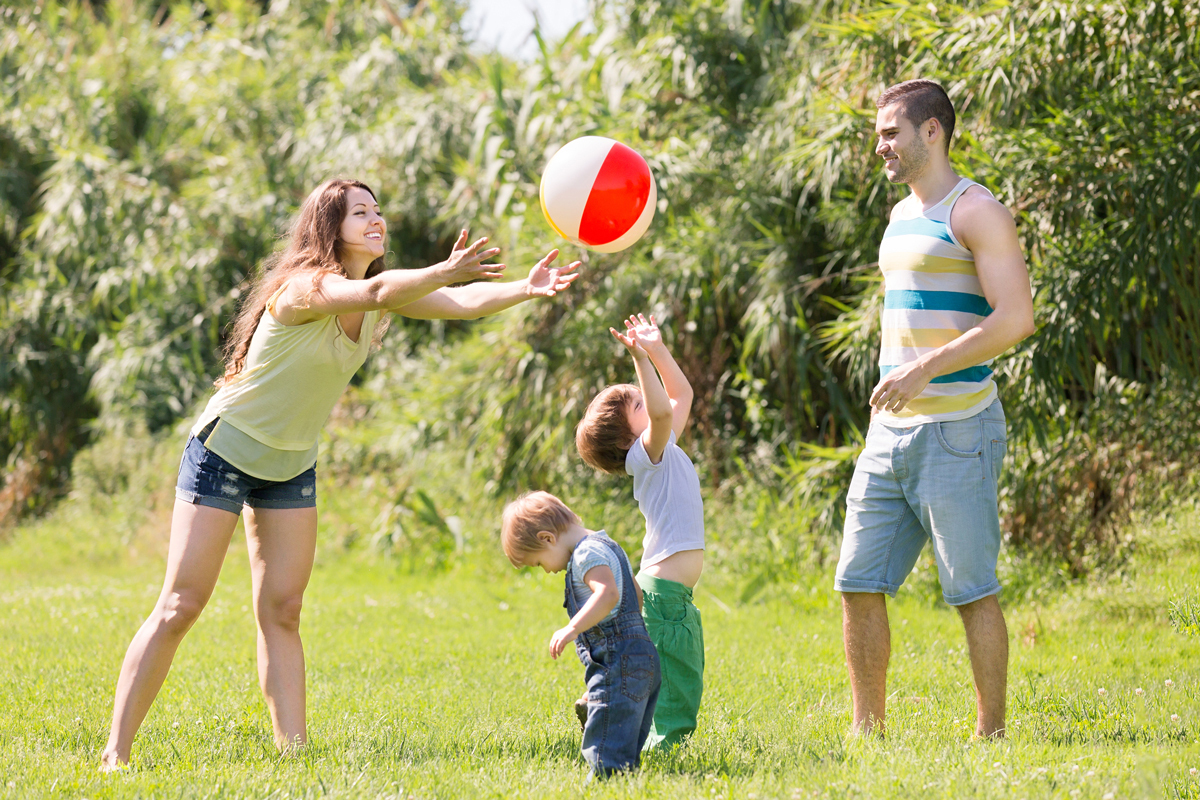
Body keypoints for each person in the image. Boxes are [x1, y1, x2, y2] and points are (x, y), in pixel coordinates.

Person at [99, 178, 580, 770]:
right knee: (181, 605)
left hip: (290, 463)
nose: (376, 221)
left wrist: (524, 289)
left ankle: (292, 756)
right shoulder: (305, 289)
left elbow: (456, 305)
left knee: (283, 608)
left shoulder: (368, 295)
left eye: (379, 212)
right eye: (361, 213)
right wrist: (445, 268)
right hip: (224, 452)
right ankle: (115, 752)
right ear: (331, 227)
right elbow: (383, 288)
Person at [835, 79, 1036, 738]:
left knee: (970, 589)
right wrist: (901, 381)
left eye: (891, 131)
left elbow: (1015, 319)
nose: (880, 145)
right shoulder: (899, 218)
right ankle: (869, 731)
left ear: (933, 131)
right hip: (888, 432)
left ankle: (992, 732)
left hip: (959, 430)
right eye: (878, 133)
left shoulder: (977, 211)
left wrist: (925, 369)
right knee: (857, 580)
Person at [574, 313, 705, 750]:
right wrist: (640, 359)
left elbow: (680, 394)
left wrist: (656, 347)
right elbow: (665, 407)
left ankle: (605, 704)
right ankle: (660, 747)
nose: (648, 406)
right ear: (629, 439)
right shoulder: (645, 458)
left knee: (661, 672)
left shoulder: (662, 448)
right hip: (666, 593)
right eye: (637, 406)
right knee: (677, 679)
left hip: (667, 591)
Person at [501, 490, 660, 778]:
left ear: (547, 538)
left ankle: (602, 786)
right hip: (641, 655)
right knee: (625, 739)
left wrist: (573, 628)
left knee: (606, 746)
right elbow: (634, 596)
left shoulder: (586, 554)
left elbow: (608, 594)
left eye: (538, 563)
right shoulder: (609, 546)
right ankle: (624, 783)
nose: (547, 571)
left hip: (618, 659)